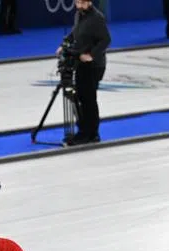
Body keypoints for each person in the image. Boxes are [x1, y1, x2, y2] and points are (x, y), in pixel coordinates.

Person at [63, 0, 111, 146]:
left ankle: (92, 133)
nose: (79, 6)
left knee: (88, 98)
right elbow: (75, 32)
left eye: (82, 3)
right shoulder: (79, 15)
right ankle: (84, 130)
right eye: (77, 2)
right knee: (81, 97)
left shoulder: (97, 17)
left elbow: (106, 40)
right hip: (81, 63)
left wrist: (91, 55)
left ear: (89, 2)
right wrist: (64, 44)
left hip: (94, 65)